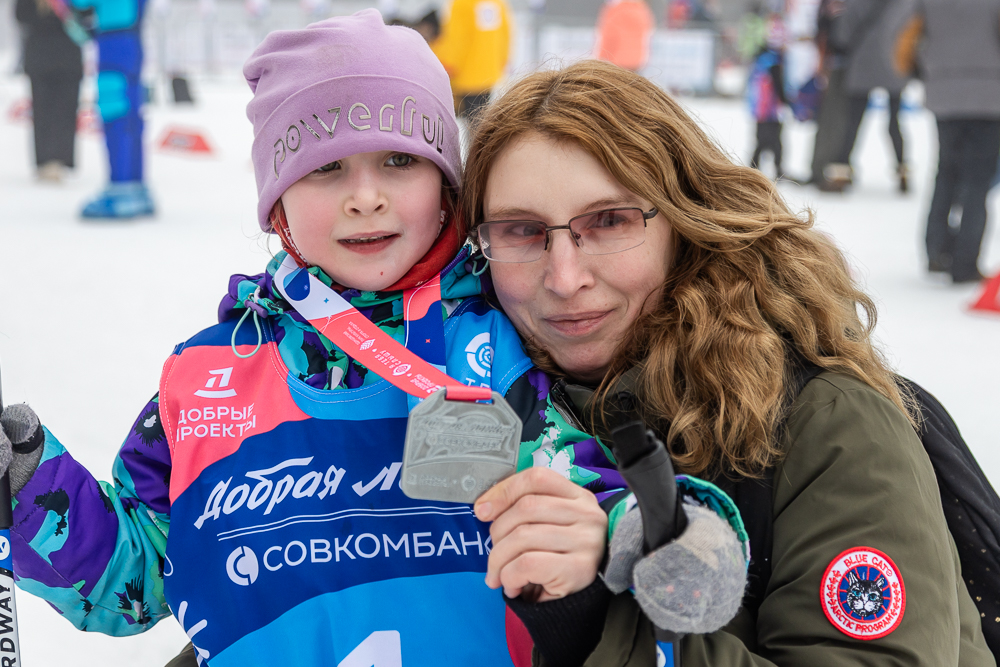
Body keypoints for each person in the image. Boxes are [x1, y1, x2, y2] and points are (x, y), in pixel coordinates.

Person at [0, 12, 627, 666]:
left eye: (398, 160)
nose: (365, 196)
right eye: (326, 168)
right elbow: (133, 582)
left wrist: (642, 533)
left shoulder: (499, 342)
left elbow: (598, 504)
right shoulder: (207, 374)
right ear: (277, 203)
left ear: (446, 188)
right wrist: (27, 488)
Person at [460, 59, 994, 665]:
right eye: (521, 231)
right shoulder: (456, 403)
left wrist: (600, 619)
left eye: (609, 221)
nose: (564, 277)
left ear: (684, 219)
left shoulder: (825, 425)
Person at [895, 0, 1000, 283]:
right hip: (990, 97)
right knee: (978, 181)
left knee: (946, 172)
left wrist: (923, 72)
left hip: (943, 92)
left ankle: (936, 251)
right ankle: (965, 262)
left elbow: (903, 36)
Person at [70, 0, 154, 218]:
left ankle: (121, 188)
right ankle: (136, 187)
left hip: (113, 44)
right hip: (131, 42)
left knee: (114, 114)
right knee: (132, 118)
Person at [824, 0, 914, 193]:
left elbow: (845, 30)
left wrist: (841, 43)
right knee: (895, 122)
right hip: (894, 61)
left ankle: (841, 172)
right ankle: (903, 171)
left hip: (863, 60)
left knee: (853, 121)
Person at [15, 0, 83, 183]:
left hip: (58, 59)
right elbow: (20, 16)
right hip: (50, 59)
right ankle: (48, 160)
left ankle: (56, 160)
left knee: (61, 111)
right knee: (47, 111)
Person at [431, 0, 511, 119]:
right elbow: (506, 33)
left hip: (466, 73)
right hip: (489, 72)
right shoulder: (497, 3)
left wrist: (447, 64)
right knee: (480, 119)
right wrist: (502, 61)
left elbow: (457, 38)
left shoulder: (461, 4)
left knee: (468, 121)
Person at [747, 12, 789, 180]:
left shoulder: (760, 57)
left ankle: (755, 168)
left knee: (761, 140)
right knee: (773, 141)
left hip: (759, 107)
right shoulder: (774, 61)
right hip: (770, 108)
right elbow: (778, 85)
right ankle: (774, 169)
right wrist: (787, 101)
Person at [593, 0, 655, 73]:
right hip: (637, 61)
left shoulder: (616, 10)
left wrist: (599, 62)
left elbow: (609, 37)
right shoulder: (641, 10)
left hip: (616, 61)